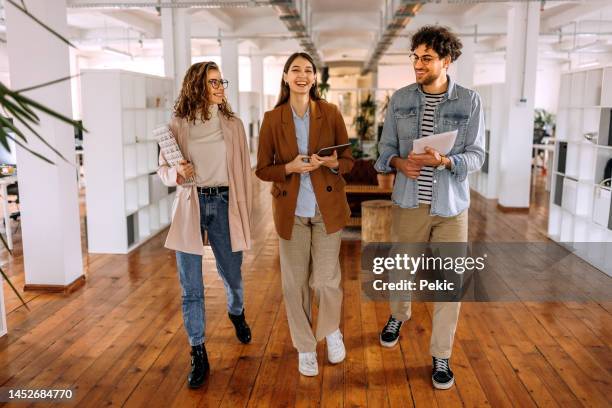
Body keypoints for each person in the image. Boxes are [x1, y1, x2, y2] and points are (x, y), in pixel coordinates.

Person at [375, 25, 485, 390]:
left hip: (451, 206)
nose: (418, 64)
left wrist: (447, 162)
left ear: (446, 60)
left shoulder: (469, 101)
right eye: (415, 57)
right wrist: (397, 164)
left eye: (427, 58)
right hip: (409, 201)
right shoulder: (401, 99)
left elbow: (477, 155)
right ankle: (398, 315)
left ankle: (441, 356)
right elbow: (384, 149)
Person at [255, 52, 354, 377]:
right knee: (294, 285)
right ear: (285, 77)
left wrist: (332, 163)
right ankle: (306, 347)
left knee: (326, 281)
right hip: (291, 212)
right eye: (295, 70)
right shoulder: (272, 118)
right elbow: (263, 169)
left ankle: (330, 331)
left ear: (315, 78)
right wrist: (289, 167)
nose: (302, 75)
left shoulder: (331, 112)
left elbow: (349, 160)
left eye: (308, 70)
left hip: (327, 210)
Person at [157, 61, 253, 389]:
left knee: (233, 276)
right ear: (197, 85)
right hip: (191, 204)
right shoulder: (177, 125)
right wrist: (176, 173)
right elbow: (163, 170)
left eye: (221, 81)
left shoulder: (234, 124)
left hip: (226, 204)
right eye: (214, 82)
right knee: (191, 288)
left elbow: (243, 170)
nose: (220, 86)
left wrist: (246, 210)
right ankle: (198, 351)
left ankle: (236, 311)